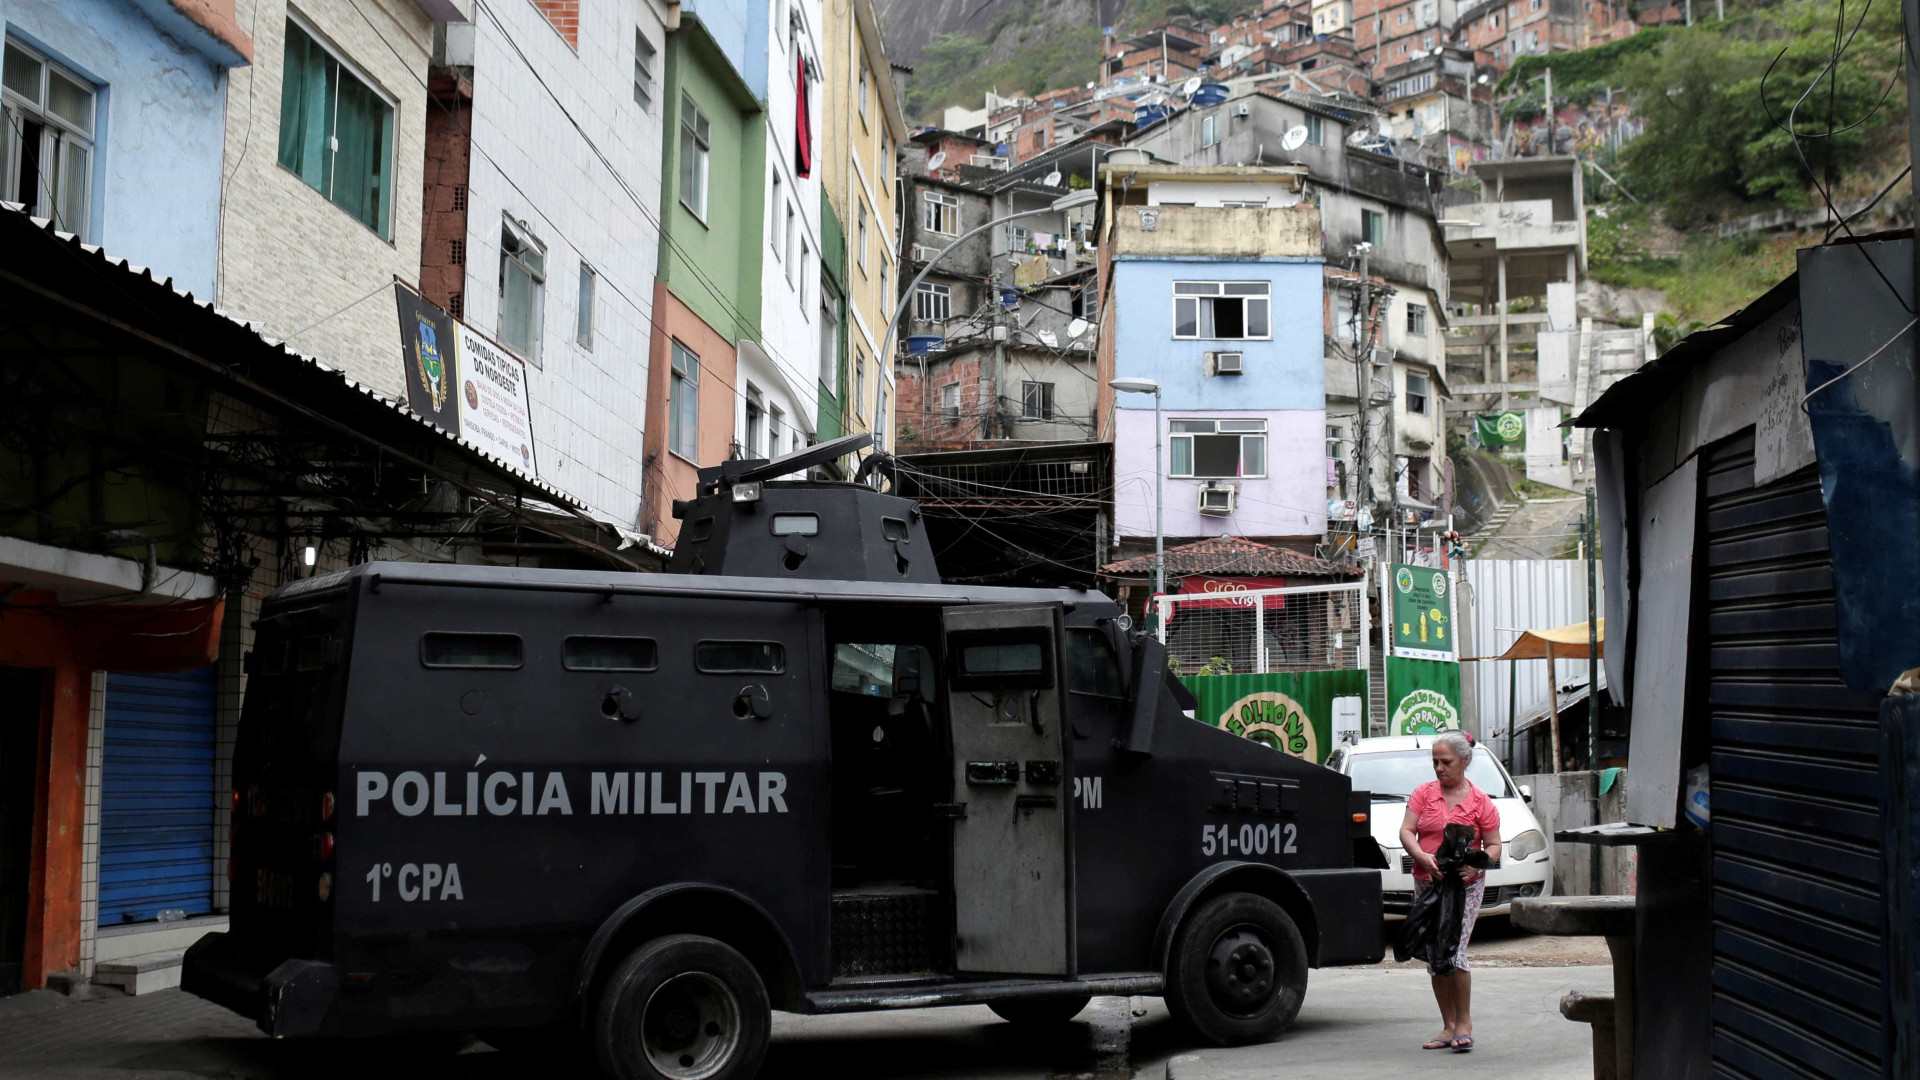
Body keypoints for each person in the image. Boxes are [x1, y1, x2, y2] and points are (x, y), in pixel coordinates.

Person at [1398, 731, 1502, 1052]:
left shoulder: (1481, 802)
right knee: (1434, 955)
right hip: (1427, 882)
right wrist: (1421, 856)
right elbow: (1406, 831)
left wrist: (1478, 865)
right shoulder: (1423, 794)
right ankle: (1447, 1026)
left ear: (1465, 761)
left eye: (1446, 762)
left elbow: (1495, 845)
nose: (1439, 768)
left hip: (1464, 887)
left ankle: (1464, 1022)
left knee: (1454, 951)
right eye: (1435, 762)